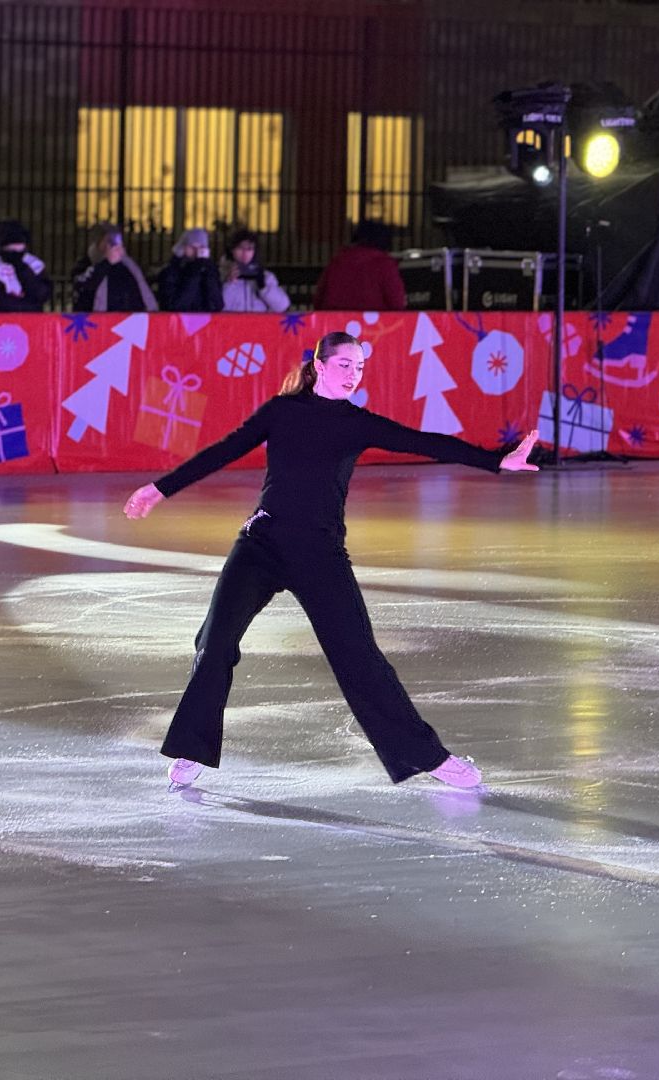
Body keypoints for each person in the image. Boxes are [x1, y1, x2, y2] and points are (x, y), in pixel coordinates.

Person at [122, 330, 539, 791]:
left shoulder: (355, 422)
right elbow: (225, 449)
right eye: (345, 365)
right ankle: (190, 750)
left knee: (358, 657)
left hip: (320, 552)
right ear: (319, 365)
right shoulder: (282, 412)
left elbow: (423, 442)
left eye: (360, 368)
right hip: (261, 544)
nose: (353, 375)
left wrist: (497, 462)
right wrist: (159, 489)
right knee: (214, 641)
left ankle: (430, 758)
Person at [313, 220, 406, 311]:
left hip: (335, 321)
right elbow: (397, 303)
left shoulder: (338, 261)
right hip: (375, 322)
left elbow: (318, 299)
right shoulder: (384, 265)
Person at [71, 223, 157, 313]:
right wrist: (106, 263)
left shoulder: (129, 267)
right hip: (99, 322)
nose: (112, 245)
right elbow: (84, 290)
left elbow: (143, 293)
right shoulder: (86, 265)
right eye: (108, 241)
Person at [0, 219, 51, 313]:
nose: (17, 249)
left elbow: (42, 294)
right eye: (12, 246)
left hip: (31, 322)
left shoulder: (34, 264)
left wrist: (22, 269)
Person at [220, 228, 291, 313]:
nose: (244, 253)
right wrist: (229, 283)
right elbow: (219, 307)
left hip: (259, 324)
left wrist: (264, 288)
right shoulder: (221, 274)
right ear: (232, 250)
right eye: (240, 248)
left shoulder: (266, 276)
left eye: (249, 249)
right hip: (232, 324)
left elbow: (282, 306)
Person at [156, 228, 225, 313]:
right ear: (184, 248)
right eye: (192, 247)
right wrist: (195, 270)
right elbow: (175, 305)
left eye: (201, 247)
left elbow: (217, 304)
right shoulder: (171, 272)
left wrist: (208, 272)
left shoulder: (209, 270)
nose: (197, 251)